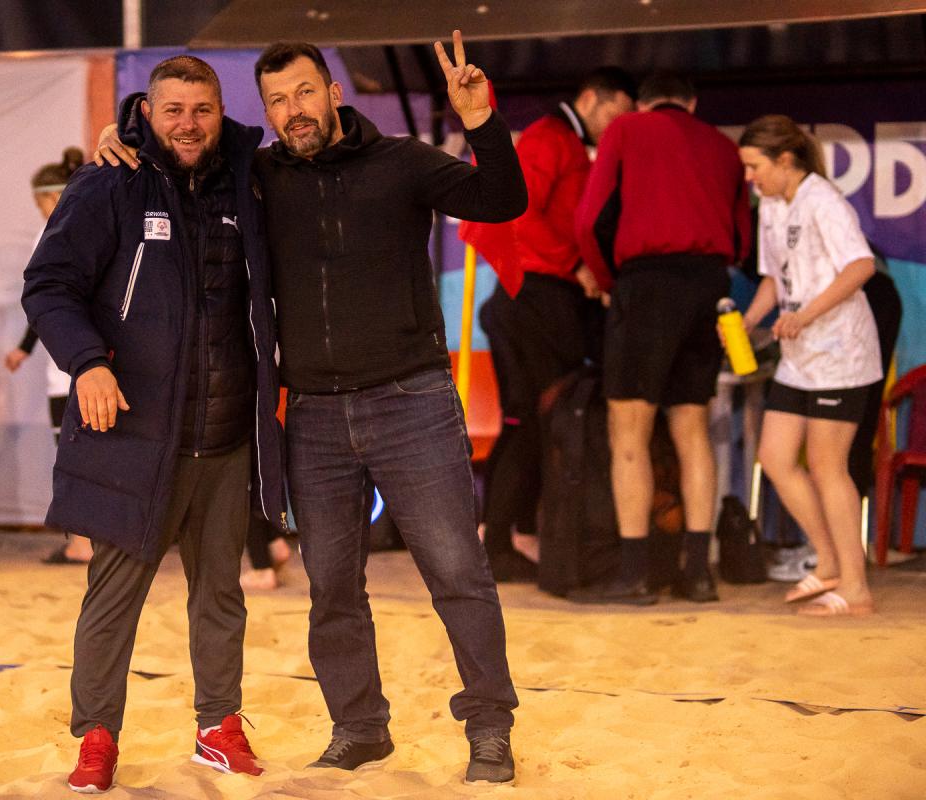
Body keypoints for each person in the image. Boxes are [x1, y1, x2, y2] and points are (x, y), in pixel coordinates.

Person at [96, 31, 525, 786]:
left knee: (457, 572)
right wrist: (124, 131)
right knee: (331, 586)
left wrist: (479, 120)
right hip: (316, 416)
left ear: (333, 92)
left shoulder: (403, 161)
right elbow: (187, 143)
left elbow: (502, 199)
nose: (293, 110)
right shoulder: (259, 175)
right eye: (276, 101)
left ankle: (489, 729)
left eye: (303, 92)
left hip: (413, 400)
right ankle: (359, 729)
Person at [21, 56, 285, 793]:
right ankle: (97, 737)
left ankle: (218, 729)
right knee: (113, 596)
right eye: (173, 110)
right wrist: (86, 363)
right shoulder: (110, 181)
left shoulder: (248, 182)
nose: (188, 124)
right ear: (148, 112)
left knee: (221, 594)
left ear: (220, 110)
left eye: (202, 110)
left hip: (225, 436)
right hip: (135, 435)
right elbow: (48, 285)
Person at [571, 73, 752, 605]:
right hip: (708, 285)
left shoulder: (626, 129)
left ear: (644, 103)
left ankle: (634, 576)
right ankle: (698, 574)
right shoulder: (723, 146)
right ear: (691, 102)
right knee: (692, 427)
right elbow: (742, 238)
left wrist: (610, 283)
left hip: (645, 286)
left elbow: (589, 220)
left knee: (629, 431)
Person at [461, 66, 636, 582]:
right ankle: (500, 539)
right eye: (619, 112)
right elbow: (516, 212)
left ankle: (514, 535)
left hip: (540, 299)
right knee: (531, 419)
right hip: (533, 299)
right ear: (592, 97)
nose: (620, 125)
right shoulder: (550, 138)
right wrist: (574, 264)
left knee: (536, 421)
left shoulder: (568, 143)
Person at [737, 114, 879, 616]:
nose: (749, 178)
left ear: (785, 159)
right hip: (799, 358)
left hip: (840, 354)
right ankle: (829, 561)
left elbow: (860, 266)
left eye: (755, 167)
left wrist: (806, 315)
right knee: (775, 457)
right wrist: (749, 321)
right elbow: (774, 280)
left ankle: (856, 588)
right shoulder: (772, 206)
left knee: (826, 465)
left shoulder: (823, 201)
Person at [4, 147, 94, 565]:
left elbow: (45, 299)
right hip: (93, 360)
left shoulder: (53, 231)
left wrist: (23, 348)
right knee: (95, 456)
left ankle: (81, 543)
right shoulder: (94, 223)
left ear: (51, 197)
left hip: (67, 369)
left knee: (72, 458)